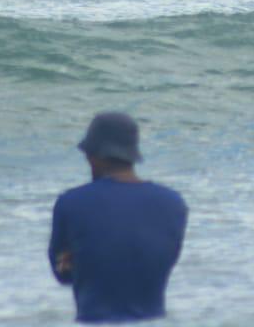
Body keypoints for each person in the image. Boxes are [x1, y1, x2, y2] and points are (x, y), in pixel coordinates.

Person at [49, 112, 188, 324]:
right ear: (132, 155)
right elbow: (165, 260)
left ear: (94, 155)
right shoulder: (173, 203)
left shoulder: (71, 202)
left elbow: (63, 274)